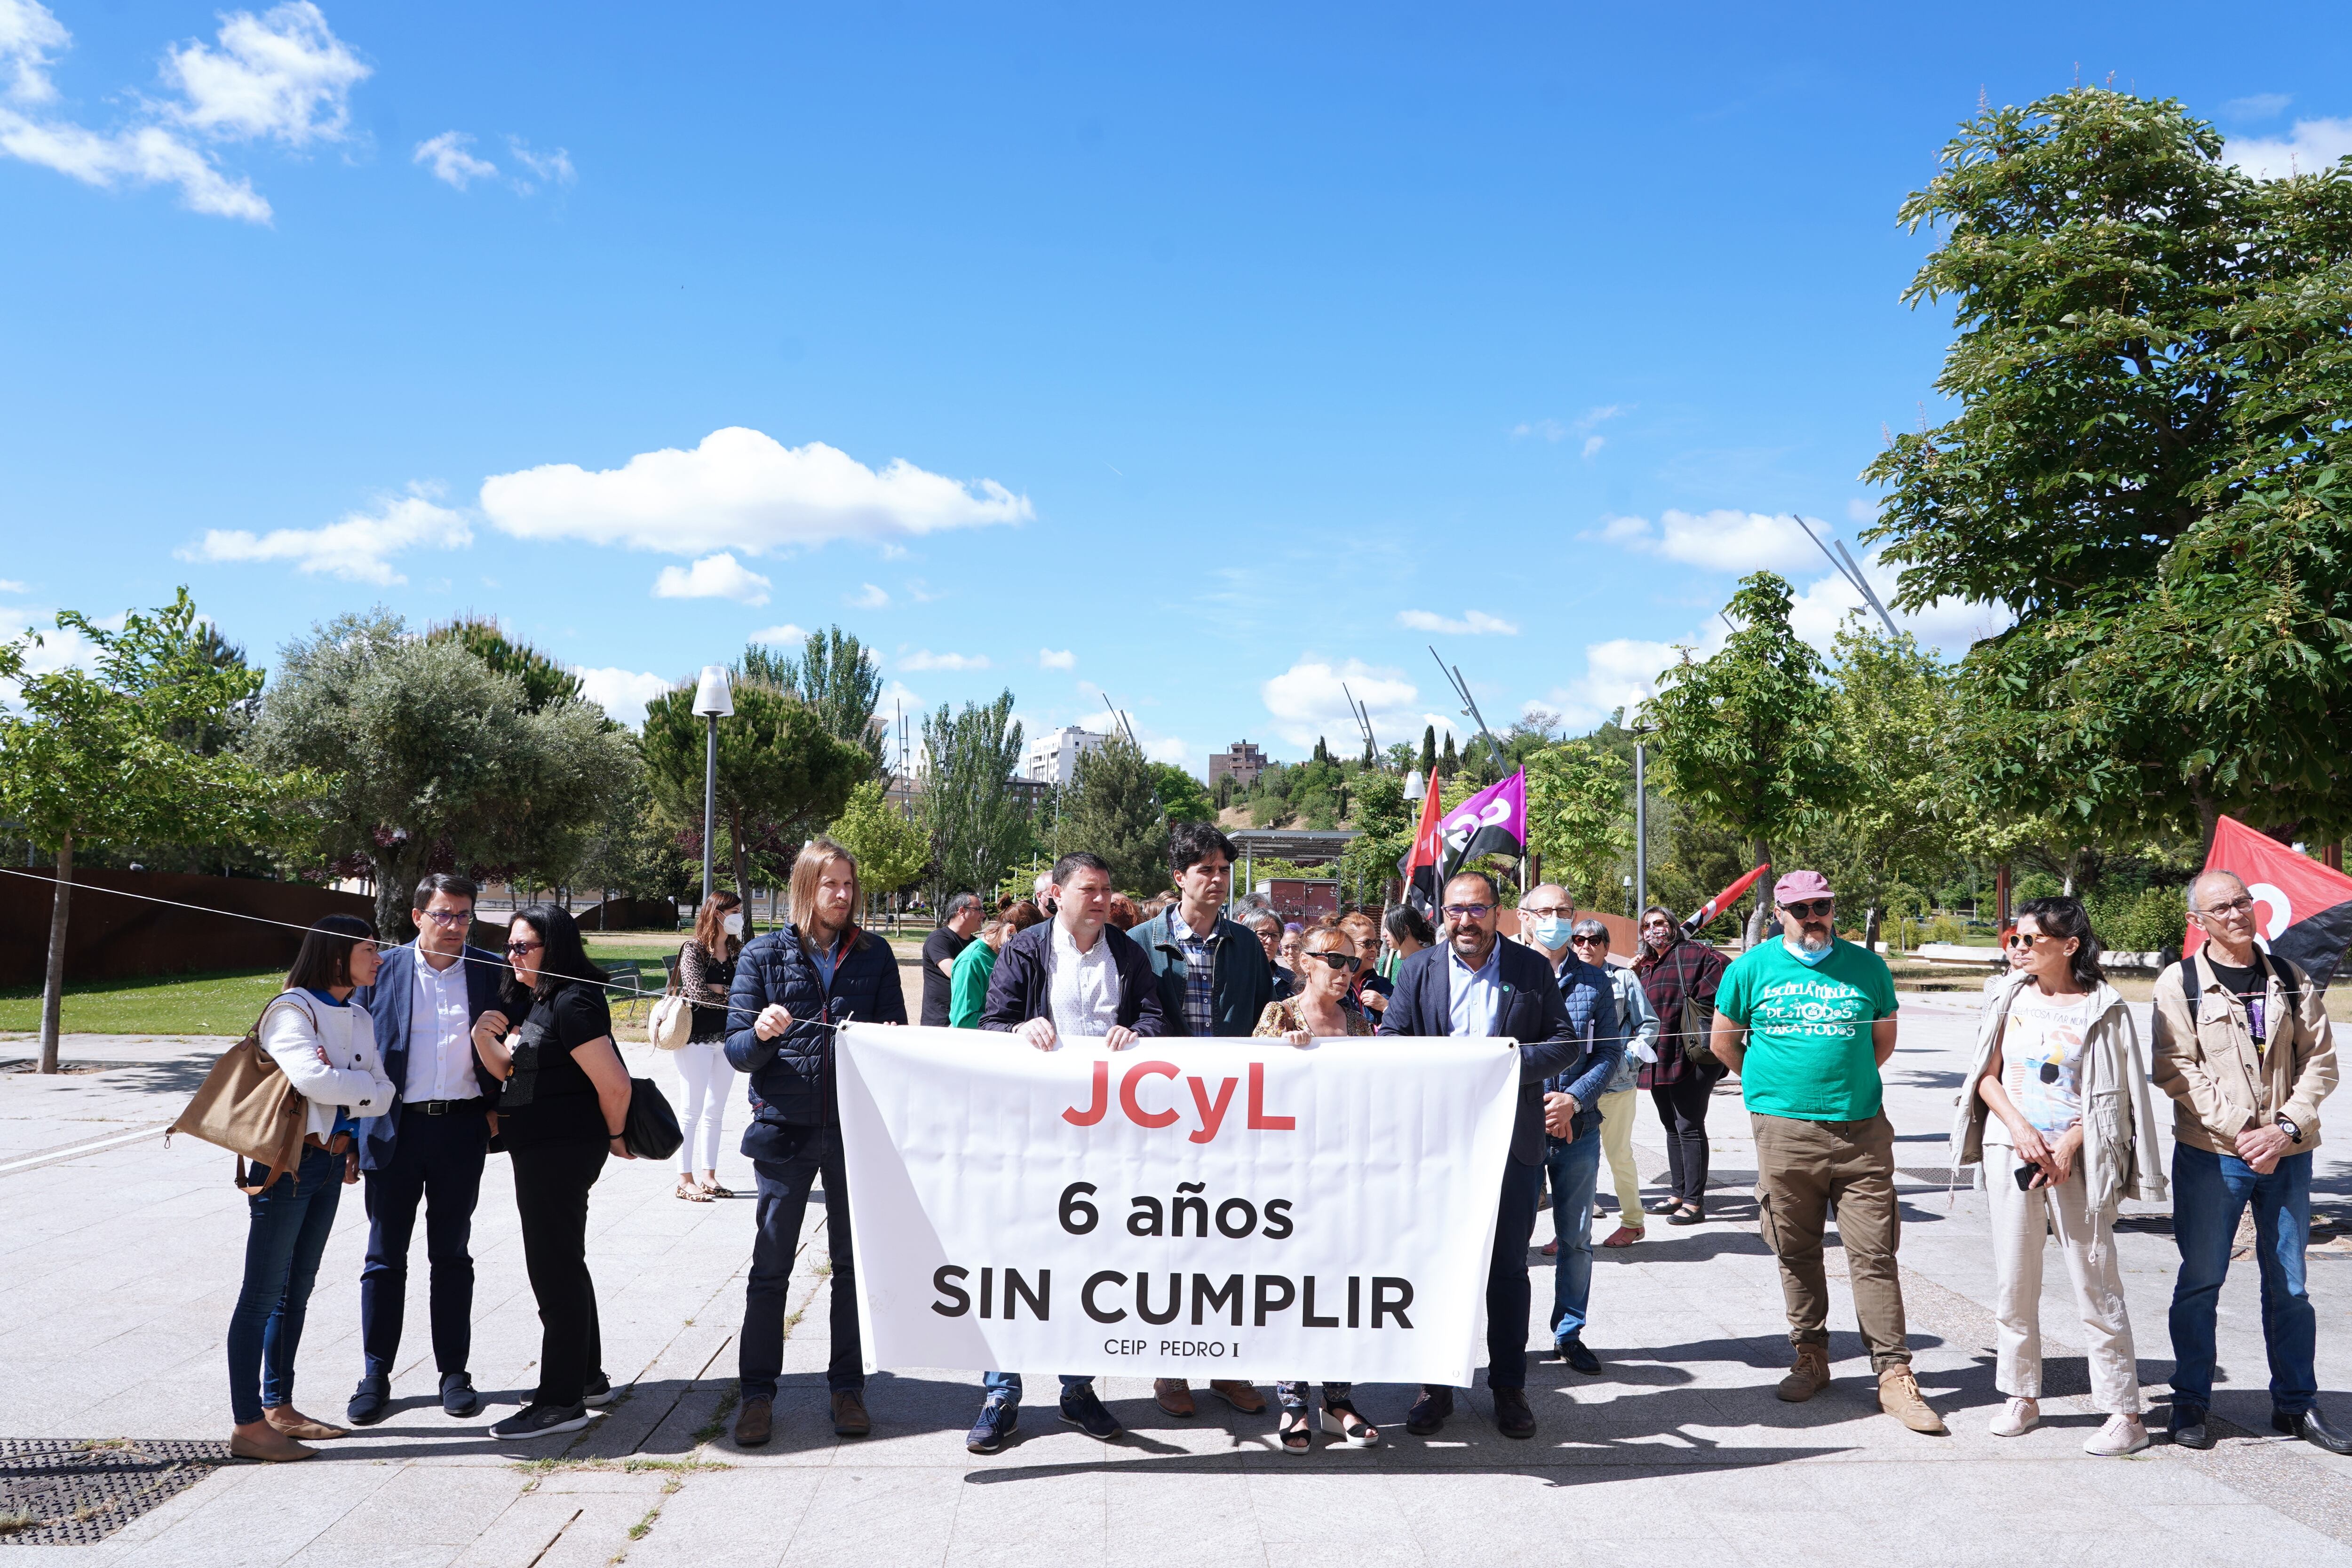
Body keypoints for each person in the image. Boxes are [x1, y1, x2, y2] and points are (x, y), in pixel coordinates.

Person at [1711, 870, 1941, 1434]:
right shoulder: (1749, 969)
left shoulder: (1867, 968)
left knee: (1873, 1254)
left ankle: (1893, 1374)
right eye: (1800, 909)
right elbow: (1722, 1042)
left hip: (1860, 1132)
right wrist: (1770, 1091)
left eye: (1821, 907)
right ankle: (1810, 1355)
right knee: (1795, 1248)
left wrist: (1843, 1083)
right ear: (1778, 916)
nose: (1812, 917)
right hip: (1783, 1133)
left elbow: (1880, 1041)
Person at [965, 851, 1168, 1454]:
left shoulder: (1127, 954)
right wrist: (1016, 1031)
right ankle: (1001, 1393)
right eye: (1090, 889)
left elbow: (1158, 1019)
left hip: (1104, 1139)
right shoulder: (1026, 949)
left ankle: (1077, 1388)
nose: (1102, 899)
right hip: (1033, 1138)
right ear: (1057, 893)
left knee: (1088, 1264)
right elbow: (990, 1023)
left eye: (1107, 889)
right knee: (1017, 1261)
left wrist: (1140, 1034)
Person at [1949, 896, 2164, 1456]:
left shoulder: (2103, 1006)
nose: (2017, 949)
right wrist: (2021, 1131)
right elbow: (1985, 1077)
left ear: (2068, 946)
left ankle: (2123, 1412)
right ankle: (2020, 1395)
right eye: (2013, 939)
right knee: (2013, 1280)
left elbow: (2116, 1099)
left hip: (2080, 1158)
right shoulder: (2005, 995)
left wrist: (2069, 1143)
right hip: (2011, 1150)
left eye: (2029, 940)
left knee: (2095, 1280)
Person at [2151, 869, 2346, 1455]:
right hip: (2214, 1154)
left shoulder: (2289, 978)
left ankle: (2295, 1405)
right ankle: (2189, 1401)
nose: (2236, 913)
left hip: (2287, 1154)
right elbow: (2175, 1068)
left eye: (2242, 902)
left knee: (2289, 1284)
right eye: (2220, 907)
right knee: (2200, 1280)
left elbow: (2321, 1061)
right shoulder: (2178, 983)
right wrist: (2243, 1131)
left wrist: (2284, 1127)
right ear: (2197, 922)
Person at [1379, 870, 1578, 1441]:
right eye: (1454, 910)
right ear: (1441, 914)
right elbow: (1392, 1040)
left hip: (1509, 1145)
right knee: (1434, 1267)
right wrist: (1447, 1068)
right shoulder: (1416, 969)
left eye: (1476, 909)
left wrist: (1506, 1066)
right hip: (1436, 1149)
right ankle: (1434, 1387)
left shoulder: (1530, 968)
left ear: (1497, 913)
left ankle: (1508, 1388)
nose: (1465, 921)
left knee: (1507, 1272)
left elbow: (1563, 1042)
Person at [725, 838, 908, 1447]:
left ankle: (847, 1387)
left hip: (857, 1135)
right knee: (770, 1266)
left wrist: (883, 1039)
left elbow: (897, 1041)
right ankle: (756, 1395)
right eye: (832, 884)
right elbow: (736, 1051)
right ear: (806, 887)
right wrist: (760, 1030)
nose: (843, 895)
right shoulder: (761, 955)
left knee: (854, 1267)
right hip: (784, 1130)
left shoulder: (875, 953)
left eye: (849, 885)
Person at [229, 915, 397, 1462]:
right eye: (368, 949)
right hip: (286, 1165)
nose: (377, 958)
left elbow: (385, 1090)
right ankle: (248, 1425)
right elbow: (313, 1080)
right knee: (261, 1296)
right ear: (335, 954)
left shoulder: (357, 1013)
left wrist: (354, 1094)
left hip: (328, 1163)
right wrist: (360, 1089)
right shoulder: (291, 1009)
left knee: (296, 1291)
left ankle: (279, 1406)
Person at [1128, 822, 1277, 1419]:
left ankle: (1227, 1365)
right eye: (1204, 871)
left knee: (1229, 1243)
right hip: (1160, 1119)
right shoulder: (1137, 942)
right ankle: (1169, 1369)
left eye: (1223, 870)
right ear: (1178, 877)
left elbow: (1267, 1022)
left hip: (1232, 1119)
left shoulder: (1244, 945)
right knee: (1166, 1242)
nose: (1216, 881)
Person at [347, 873, 507, 1428]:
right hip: (393, 1131)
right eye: (444, 914)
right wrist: (348, 1137)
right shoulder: (382, 971)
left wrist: (495, 1111)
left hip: (461, 1131)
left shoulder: (490, 970)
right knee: (384, 1257)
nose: (456, 926)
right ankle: (375, 1374)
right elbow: (351, 1057)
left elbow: (516, 1046)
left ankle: (454, 1373)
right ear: (417, 917)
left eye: (464, 915)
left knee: (453, 1255)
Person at [474, 904, 636, 1440]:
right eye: (511, 947)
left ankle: (561, 1400)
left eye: (524, 947)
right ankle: (586, 1378)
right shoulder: (537, 999)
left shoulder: (574, 1001)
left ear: (555, 947)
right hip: (538, 1148)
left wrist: (614, 1135)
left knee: (553, 1269)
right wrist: (484, 1041)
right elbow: (518, 1075)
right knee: (563, 1260)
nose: (513, 957)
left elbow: (614, 1085)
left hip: (563, 1150)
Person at [1249, 923, 1382, 1452]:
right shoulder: (1278, 1015)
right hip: (1288, 1176)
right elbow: (1250, 1086)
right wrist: (1285, 1055)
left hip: (1344, 1173)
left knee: (1338, 1287)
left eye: (1350, 962)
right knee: (1289, 1287)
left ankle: (1337, 1399)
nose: (1343, 971)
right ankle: (1291, 1404)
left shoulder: (1357, 1021)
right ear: (1303, 962)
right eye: (1331, 960)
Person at [1513, 887, 1622, 1376]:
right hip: (1519, 1126)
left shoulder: (1594, 982)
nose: (1554, 920)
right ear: (1524, 917)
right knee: (1512, 1241)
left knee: (1576, 1238)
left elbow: (1608, 1053)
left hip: (1578, 1128)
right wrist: (1537, 1101)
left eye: (1562, 912)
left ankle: (1568, 1333)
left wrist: (1573, 1099)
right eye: (1544, 912)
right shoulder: (1509, 974)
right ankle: (1508, 1335)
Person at [1634, 905, 1727, 1225]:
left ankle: (1694, 1201)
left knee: (1689, 1124)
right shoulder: (1647, 965)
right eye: (1647, 926)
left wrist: (1705, 1004)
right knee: (1671, 1125)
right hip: (1660, 1054)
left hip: (1693, 1053)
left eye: (1659, 923)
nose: (1654, 930)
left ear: (1673, 925)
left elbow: (1729, 978)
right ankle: (1678, 1192)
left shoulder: (1696, 953)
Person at [1573, 917, 1658, 1250]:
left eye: (1595, 940)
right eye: (1579, 940)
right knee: (1574, 1161)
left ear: (1607, 947)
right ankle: (1571, 1231)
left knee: (1619, 1155)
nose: (1586, 946)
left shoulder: (1623, 979)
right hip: (1575, 1087)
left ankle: (1633, 1223)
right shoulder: (1564, 979)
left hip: (1615, 1085)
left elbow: (1649, 1023)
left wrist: (1628, 1061)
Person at [672, 891, 745, 1202]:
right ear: (717, 913)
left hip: (726, 1039)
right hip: (695, 1039)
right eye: (735, 911)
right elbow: (698, 993)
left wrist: (722, 990)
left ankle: (709, 1176)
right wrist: (726, 995)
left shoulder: (737, 949)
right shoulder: (694, 950)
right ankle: (684, 1178)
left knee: (716, 1111)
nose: (740, 917)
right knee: (692, 1109)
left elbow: (747, 992)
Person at [922, 892, 983, 1027]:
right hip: (941, 1024)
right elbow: (955, 972)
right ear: (962, 911)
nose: (983, 915)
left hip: (969, 1019)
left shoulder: (976, 944)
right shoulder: (938, 939)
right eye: (979, 910)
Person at [1341, 909, 1392, 1016]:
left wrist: (1386, 1006)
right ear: (1348, 945)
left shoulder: (1385, 986)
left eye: (1376, 943)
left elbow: (1406, 1024)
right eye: (1367, 943)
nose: (1374, 949)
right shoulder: (1334, 987)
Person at [1239, 907, 1291, 998]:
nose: (1269, 941)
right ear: (1245, 935)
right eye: (1263, 934)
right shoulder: (1230, 976)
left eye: (1275, 935)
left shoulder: (1291, 980)